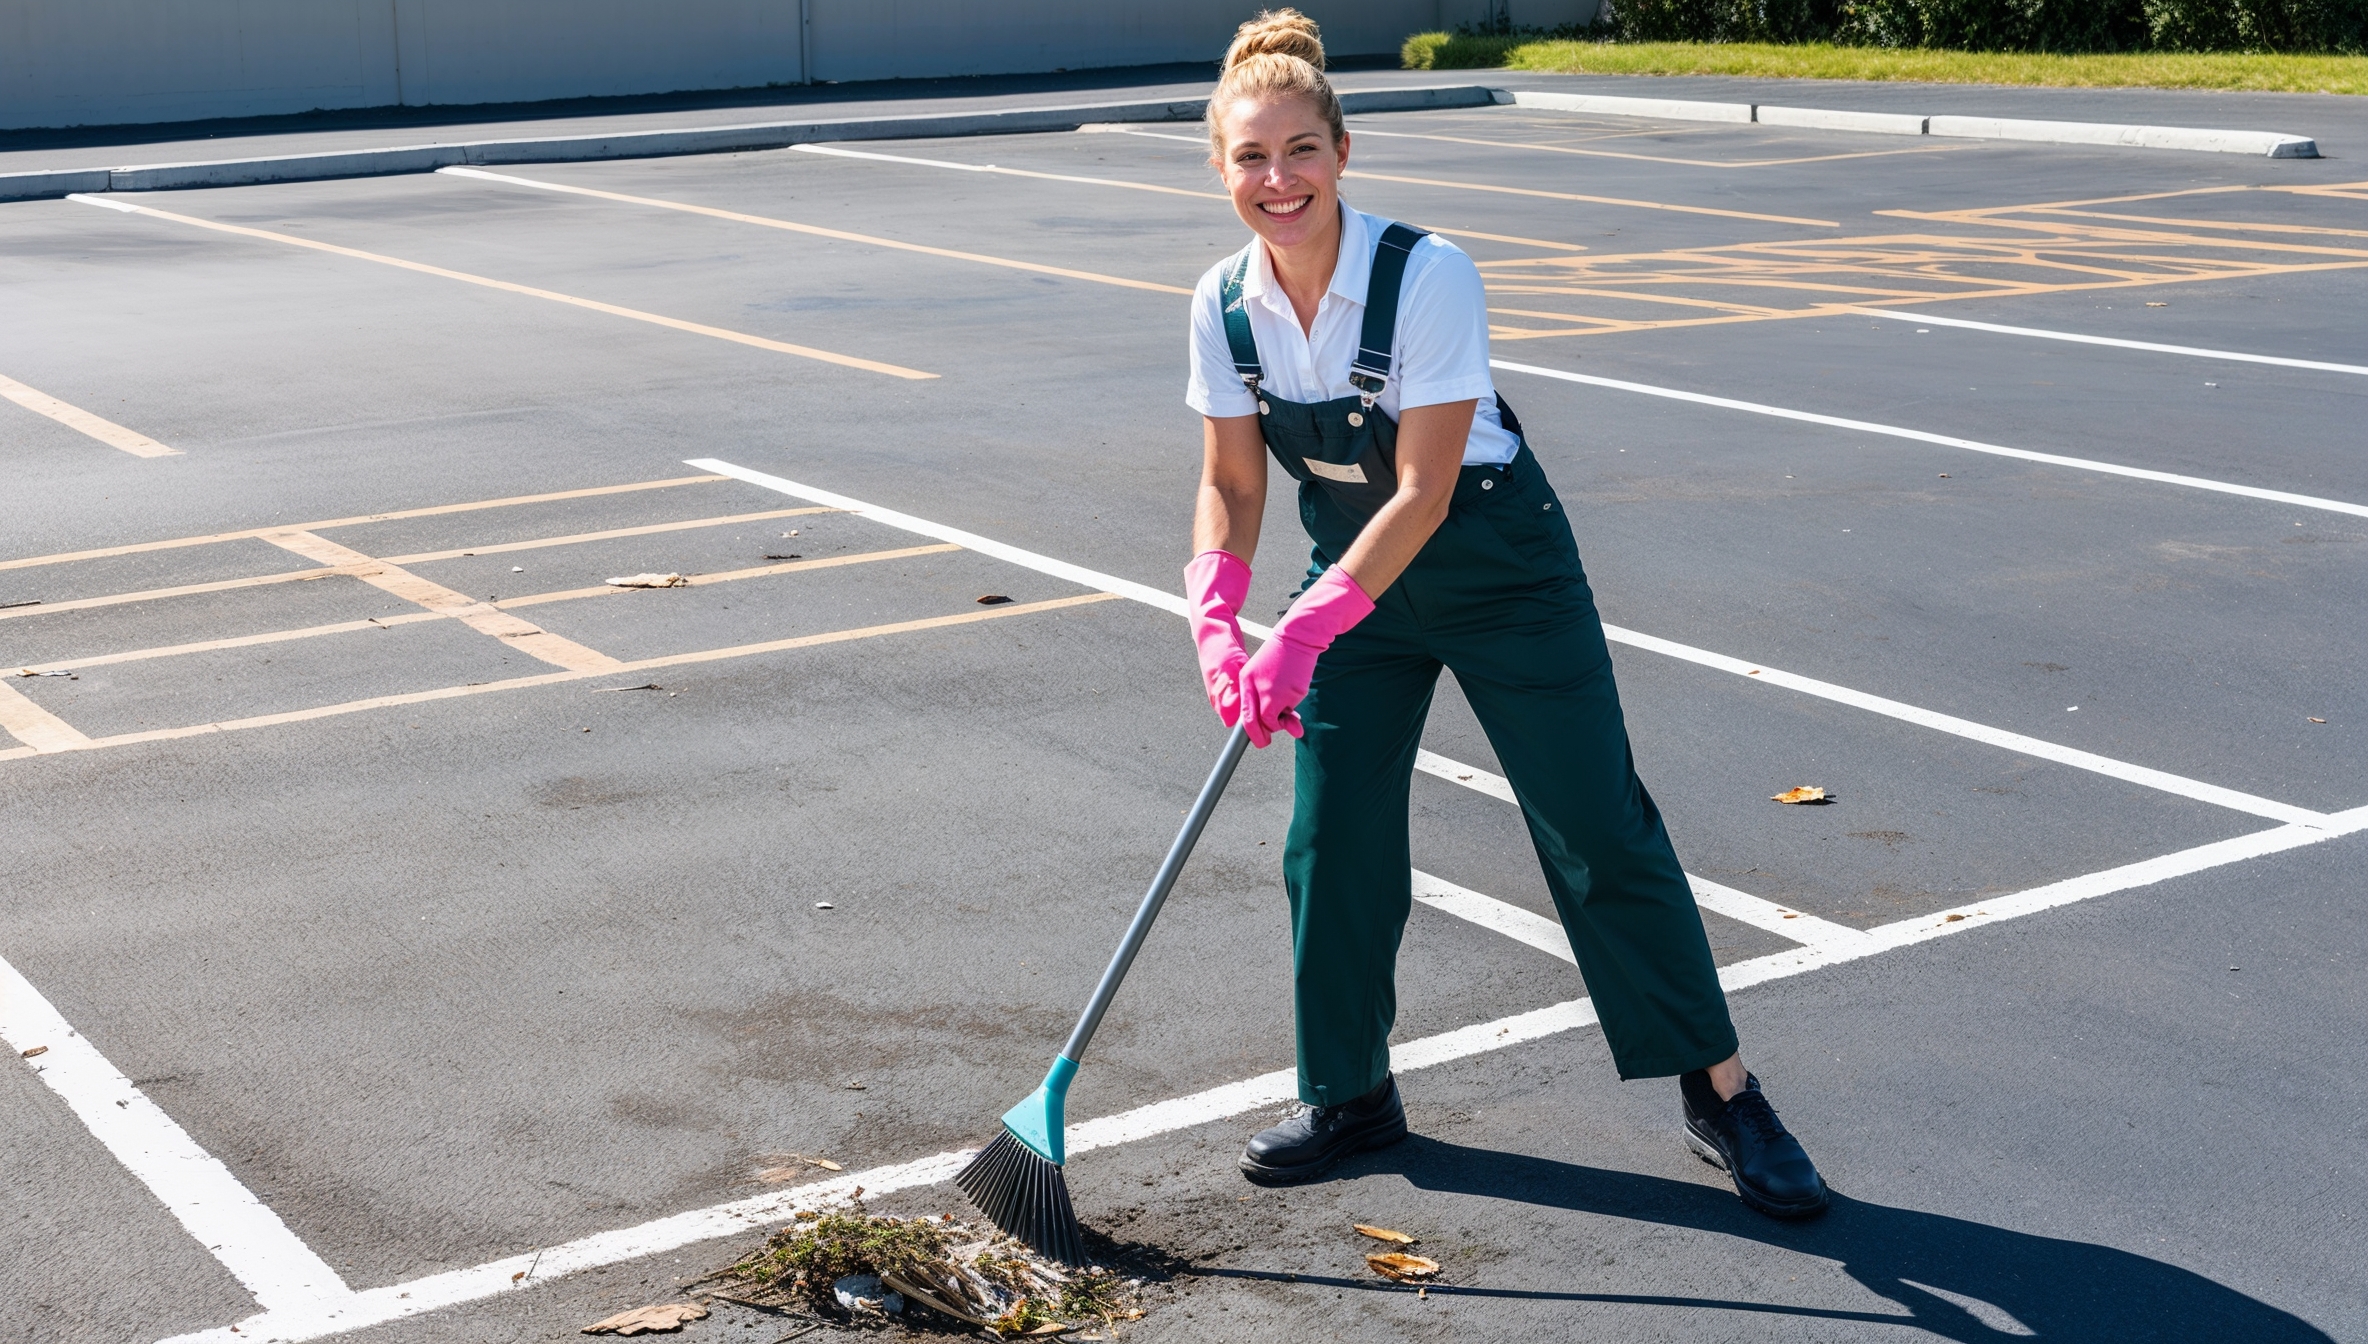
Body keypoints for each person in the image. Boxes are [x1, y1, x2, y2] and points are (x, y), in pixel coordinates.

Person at [1181, 10, 1827, 1218]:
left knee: (1596, 826)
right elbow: (1229, 481)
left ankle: (1724, 1094)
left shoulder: (1425, 273)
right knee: (1329, 839)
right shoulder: (1224, 304)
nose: (1278, 181)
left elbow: (1423, 490)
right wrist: (1216, 611)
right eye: (1251, 158)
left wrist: (1305, 627)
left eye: (1300, 151)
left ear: (1342, 148)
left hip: (1496, 569)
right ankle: (1349, 1093)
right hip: (1354, 585)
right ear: (1220, 167)